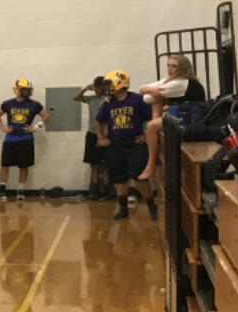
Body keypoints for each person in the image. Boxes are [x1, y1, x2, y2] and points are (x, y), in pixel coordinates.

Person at [95, 69, 157, 220]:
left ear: (119, 83)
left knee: (140, 178)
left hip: (135, 145)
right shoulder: (108, 104)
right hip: (115, 146)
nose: (107, 87)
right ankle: (123, 209)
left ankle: (151, 205)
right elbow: (98, 120)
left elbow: (153, 118)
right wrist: (101, 138)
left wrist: (146, 134)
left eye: (109, 84)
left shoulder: (138, 99)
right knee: (119, 179)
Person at [137, 54, 206, 181]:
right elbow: (142, 91)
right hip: (180, 115)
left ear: (183, 68)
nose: (170, 69)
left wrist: (150, 91)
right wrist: (151, 91)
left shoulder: (182, 83)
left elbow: (146, 97)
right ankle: (155, 150)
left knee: (151, 126)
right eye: (168, 65)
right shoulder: (171, 81)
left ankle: (151, 163)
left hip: (189, 120)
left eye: (174, 66)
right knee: (157, 101)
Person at [0, 78, 47, 201]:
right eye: (24, 89)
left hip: (25, 139)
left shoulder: (34, 104)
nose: (27, 92)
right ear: (17, 90)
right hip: (10, 139)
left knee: (23, 166)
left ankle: (21, 190)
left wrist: (35, 128)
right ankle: (2, 192)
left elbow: (45, 116)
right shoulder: (8, 103)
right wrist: (2, 128)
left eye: (28, 90)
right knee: (4, 165)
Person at [74, 76, 110, 199]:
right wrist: (85, 89)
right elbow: (76, 98)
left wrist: (105, 135)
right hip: (92, 134)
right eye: (95, 87)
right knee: (93, 164)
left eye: (99, 87)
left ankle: (106, 191)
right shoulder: (91, 99)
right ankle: (94, 192)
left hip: (106, 134)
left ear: (105, 87)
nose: (97, 89)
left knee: (105, 166)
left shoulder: (109, 100)